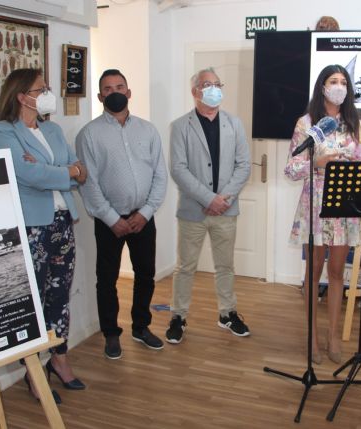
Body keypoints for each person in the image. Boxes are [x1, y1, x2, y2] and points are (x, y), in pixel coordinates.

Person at [0, 68, 87, 403]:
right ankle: (32, 370)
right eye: (40, 89)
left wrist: (59, 171)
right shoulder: (4, 132)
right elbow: (27, 174)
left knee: (59, 296)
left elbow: (80, 171)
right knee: (33, 301)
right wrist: (65, 171)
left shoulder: (53, 129)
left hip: (62, 223)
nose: (47, 93)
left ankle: (59, 358)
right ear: (22, 96)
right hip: (32, 226)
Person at [76, 69, 167, 360]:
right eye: (107, 88)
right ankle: (111, 334)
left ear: (129, 92)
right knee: (107, 279)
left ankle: (141, 327)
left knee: (146, 275)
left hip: (143, 217)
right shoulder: (89, 134)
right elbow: (88, 183)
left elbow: (160, 176)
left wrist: (146, 212)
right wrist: (112, 219)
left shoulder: (148, 130)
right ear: (99, 96)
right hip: (109, 221)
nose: (114, 92)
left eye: (119, 86)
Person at [284, 64, 361, 365]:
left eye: (344, 82)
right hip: (316, 204)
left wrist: (360, 163)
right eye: (334, 81)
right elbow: (291, 169)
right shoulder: (307, 123)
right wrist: (317, 164)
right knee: (314, 271)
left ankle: (333, 336)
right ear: (322, 87)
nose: (339, 86)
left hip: (344, 205)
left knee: (336, 272)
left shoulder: (353, 122)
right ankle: (313, 338)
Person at [166, 67, 251, 344]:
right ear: (195, 91)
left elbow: (244, 165)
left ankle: (227, 313)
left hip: (226, 209)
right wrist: (208, 199)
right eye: (207, 84)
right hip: (193, 211)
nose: (214, 89)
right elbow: (178, 169)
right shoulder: (180, 126)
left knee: (225, 266)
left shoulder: (234, 124)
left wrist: (223, 199)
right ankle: (178, 316)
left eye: (217, 84)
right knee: (185, 267)